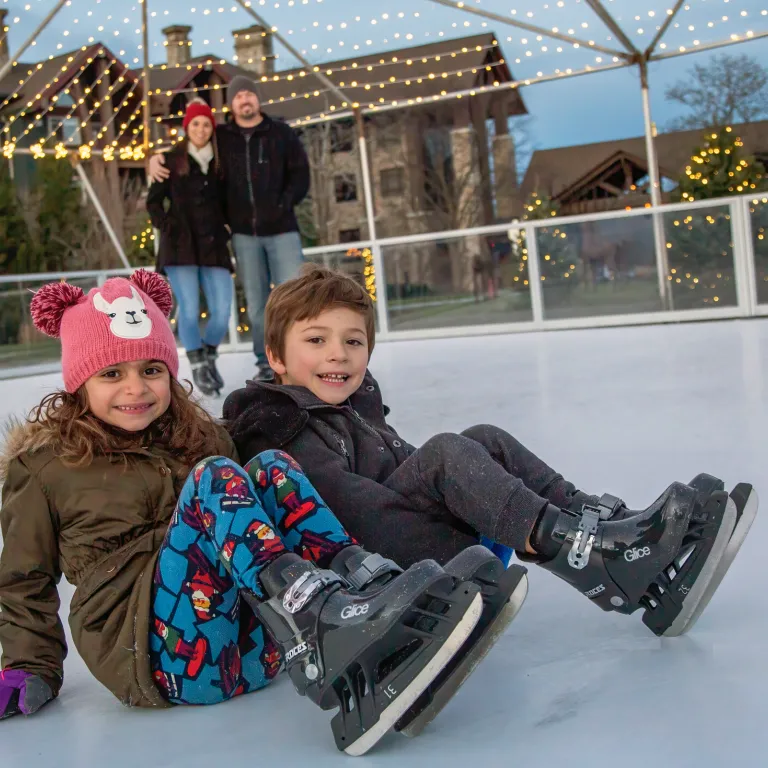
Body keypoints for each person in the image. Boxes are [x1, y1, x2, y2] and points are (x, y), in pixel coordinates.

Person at [222, 264, 758, 736]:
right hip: (381, 575)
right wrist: (461, 535)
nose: (338, 354)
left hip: (420, 546)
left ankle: (602, 530)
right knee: (448, 453)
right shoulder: (280, 423)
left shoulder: (351, 408)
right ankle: (593, 555)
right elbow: (348, 509)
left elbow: (407, 472)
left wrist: (478, 496)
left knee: (481, 438)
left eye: (354, 341)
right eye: (316, 340)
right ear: (276, 356)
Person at [0, 269, 496, 757]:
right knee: (216, 477)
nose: (136, 388)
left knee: (270, 467)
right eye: (112, 374)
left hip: (262, 650)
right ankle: (323, 624)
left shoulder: (200, 437)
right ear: (78, 382)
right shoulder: (46, 467)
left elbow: (260, 522)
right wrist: (30, 666)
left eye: (152, 370)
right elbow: (24, 577)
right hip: (161, 659)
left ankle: (362, 596)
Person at [149, 77, 310, 382]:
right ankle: (266, 361)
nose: (245, 100)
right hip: (241, 235)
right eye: (238, 96)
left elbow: (301, 174)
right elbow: (187, 143)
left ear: (257, 100)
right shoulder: (223, 137)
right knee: (257, 301)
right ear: (232, 104)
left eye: (250, 94)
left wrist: (283, 204)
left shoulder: (280, 133)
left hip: (280, 229)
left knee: (295, 296)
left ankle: (301, 354)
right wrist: (154, 158)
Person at [146, 98, 233, 397]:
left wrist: (228, 225)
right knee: (190, 308)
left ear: (212, 127)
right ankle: (198, 365)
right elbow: (153, 201)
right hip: (181, 247)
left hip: (213, 246)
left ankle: (209, 355)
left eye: (206, 123)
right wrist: (168, 226)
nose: (201, 128)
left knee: (222, 310)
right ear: (187, 127)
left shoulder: (221, 162)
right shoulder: (171, 159)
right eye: (195, 123)